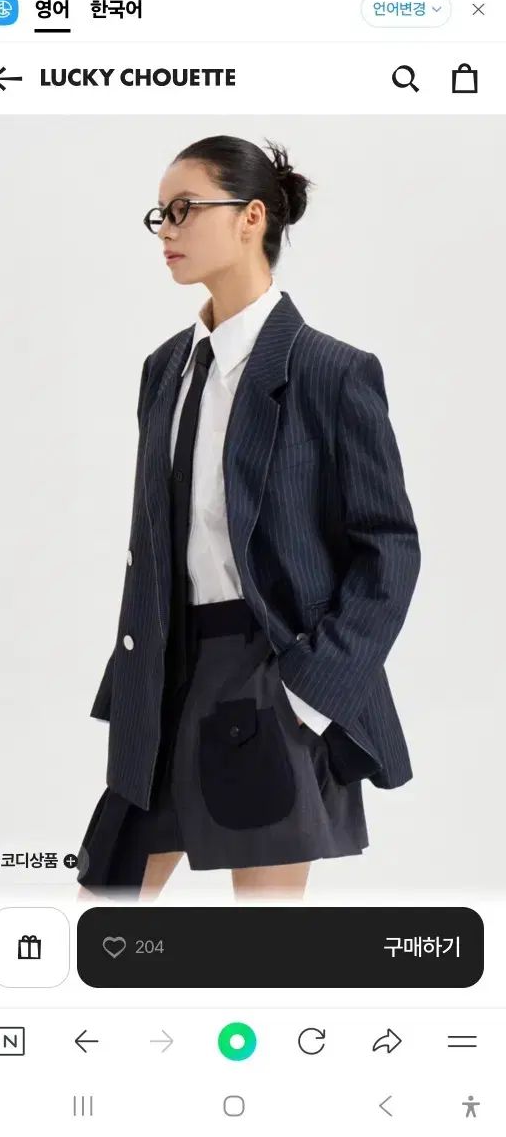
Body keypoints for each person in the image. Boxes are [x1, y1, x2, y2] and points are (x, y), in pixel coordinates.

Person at [76, 134, 421, 903]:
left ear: (251, 217)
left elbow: (389, 549)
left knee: (262, 938)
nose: (165, 229)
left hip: (272, 673)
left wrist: (309, 693)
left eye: (184, 209)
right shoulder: (165, 369)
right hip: (166, 674)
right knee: (99, 913)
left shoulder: (331, 371)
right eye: (159, 214)